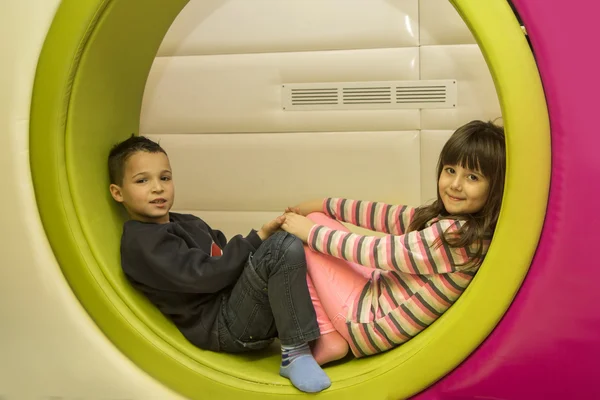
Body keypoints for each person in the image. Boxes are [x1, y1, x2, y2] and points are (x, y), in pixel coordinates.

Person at [107, 136, 330, 393]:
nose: (157, 188)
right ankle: (296, 353)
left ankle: (332, 329)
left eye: (165, 178)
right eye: (142, 181)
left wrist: (262, 244)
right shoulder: (143, 244)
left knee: (303, 232)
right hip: (222, 326)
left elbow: (225, 256)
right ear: (118, 192)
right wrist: (260, 238)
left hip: (238, 307)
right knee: (281, 246)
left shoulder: (188, 221)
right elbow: (206, 276)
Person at [281, 120, 506, 357]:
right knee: (317, 219)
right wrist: (322, 205)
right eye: (450, 171)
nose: (456, 185)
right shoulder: (457, 225)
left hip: (369, 325)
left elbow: (377, 251)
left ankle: (329, 338)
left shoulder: (455, 237)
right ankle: (327, 324)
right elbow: (388, 215)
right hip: (378, 298)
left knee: (300, 245)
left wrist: (308, 233)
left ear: (494, 188)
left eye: (472, 177)